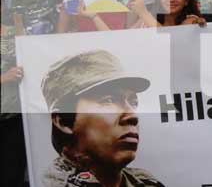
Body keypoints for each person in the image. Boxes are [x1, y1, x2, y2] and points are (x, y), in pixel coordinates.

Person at [40, 50, 164, 187]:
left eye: (133, 102)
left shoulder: (146, 183)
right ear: (63, 121)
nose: (133, 116)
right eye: (108, 100)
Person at [1, 2, 26, 187]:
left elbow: (28, 54)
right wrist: (3, 78)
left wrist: (19, 25)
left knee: (14, 170)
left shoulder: (12, 30)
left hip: (14, 113)